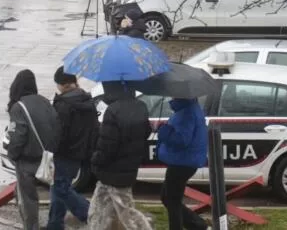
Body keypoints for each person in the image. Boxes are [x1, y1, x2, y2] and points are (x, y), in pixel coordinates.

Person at [88, 83, 152, 230]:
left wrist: (95, 161)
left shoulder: (113, 110)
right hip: (128, 167)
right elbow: (146, 132)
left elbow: (107, 145)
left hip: (112, 171)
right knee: (101, 210)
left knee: (126, 214)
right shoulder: (141, 106)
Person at [7, 70, 60, 230]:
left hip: (26, 159)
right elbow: (57, 127)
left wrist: (12, 154)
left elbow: (19, 134)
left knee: (28, 199)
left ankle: (31, 227)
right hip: (45, 157)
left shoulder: (19, 106)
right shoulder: (45, 102)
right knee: (53, 193)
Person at [47, 67, 97, 230]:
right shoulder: (86, 100)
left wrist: (50, 148)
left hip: (64, 152)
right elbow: (93, 128)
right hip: (80, 152)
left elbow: (58, 132)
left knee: (61, 188)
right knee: (58, 186)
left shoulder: (64, 104)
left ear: (63, 84)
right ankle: (54, 224)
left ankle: (89, 213)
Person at [157, 98, 208, 230]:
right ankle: (197, 225)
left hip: (182, 162)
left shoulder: (187, 113)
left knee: (172, 200)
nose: (171, 96)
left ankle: (195, 225)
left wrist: (164, 131)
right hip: (184, 160)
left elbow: (182, 140)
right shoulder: (189, 109)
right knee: (167, 197)